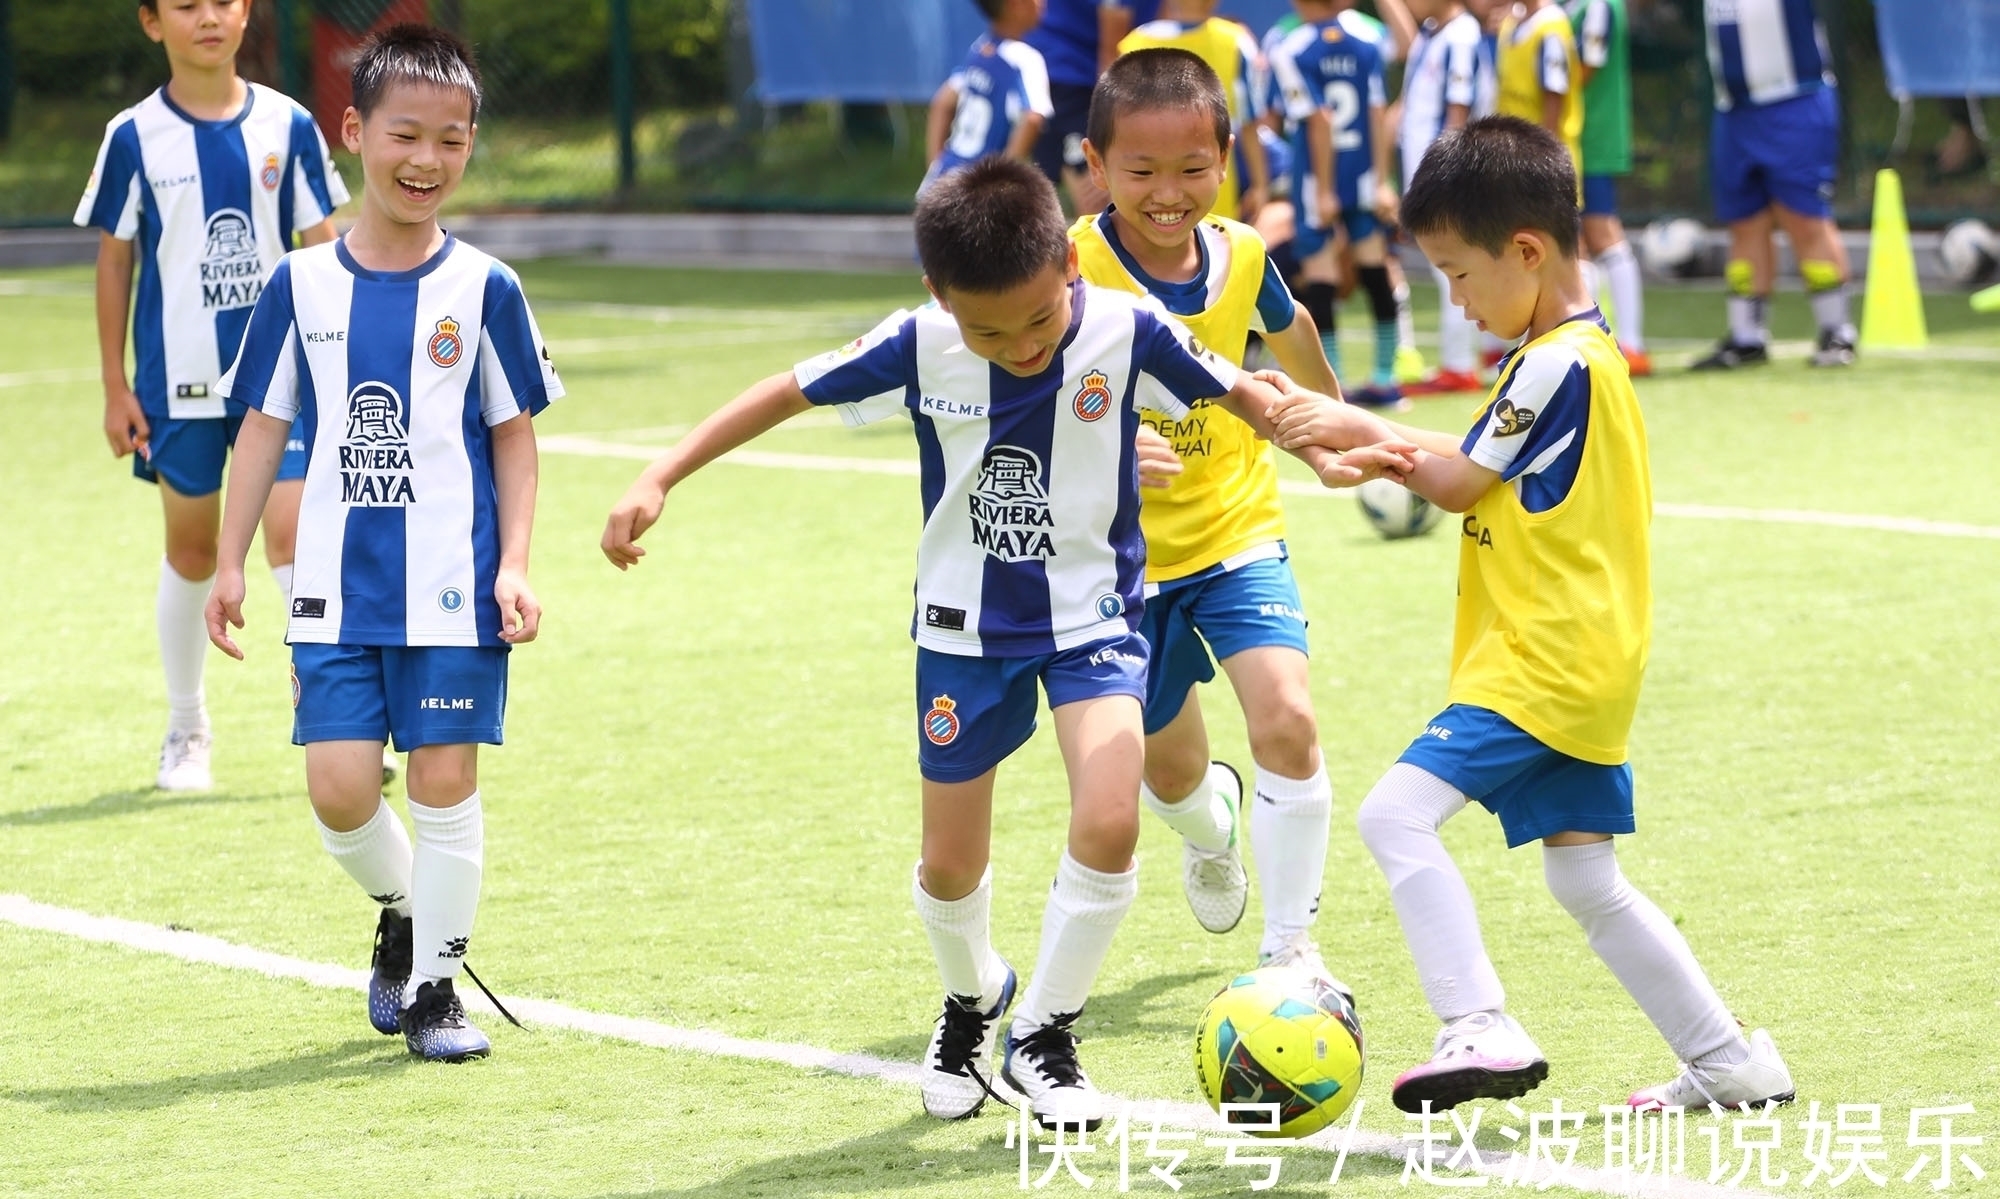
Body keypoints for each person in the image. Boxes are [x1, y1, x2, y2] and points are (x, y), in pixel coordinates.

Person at [601, 157, 1398, 1130]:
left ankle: (1042, 1031)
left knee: (1108, 818)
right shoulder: (919, 342)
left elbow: (1245, 393)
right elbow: (784, 390)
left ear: (1068, 264)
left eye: (1037, 319)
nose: (1019, 344)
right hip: (960, 634)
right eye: (988, 329)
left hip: (1093, 621)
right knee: (947, 866)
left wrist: (1317, 439)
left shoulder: (1123, 324)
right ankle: (972, 993)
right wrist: (661, 476)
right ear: (939, 295)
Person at [1269, 115, 1797, 1114]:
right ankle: (1728, 1059)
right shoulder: (1572, 357)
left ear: (1525, 251)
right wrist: (1369, 432)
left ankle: (1476, 1019)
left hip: (1538, 662)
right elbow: (1476, 456)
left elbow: (1462, 480)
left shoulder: (1552, 364)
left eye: (1458, 274)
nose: (1455, 299)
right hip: (1590, 661)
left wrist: (1356, 425)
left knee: (1393, 815)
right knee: (1587, 882)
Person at [204, 25, 561, 1063]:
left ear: (470, 145)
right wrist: (231, 559)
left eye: (451, 142)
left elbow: (513, 433)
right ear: (354, 132)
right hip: (333, 590)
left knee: (445, 778)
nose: (425, 161)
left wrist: (516, 561)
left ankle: (439, 991)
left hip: (453, 585)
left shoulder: (486, 287)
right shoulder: (299, 285)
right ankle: (404, 907)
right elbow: (264, 427)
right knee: (340, 787)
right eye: (405, 135)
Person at [1072, 48, 1347, 974]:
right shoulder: (1067, 266)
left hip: (1237, 534)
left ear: (1225, 159)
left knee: (1289, 717)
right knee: (1176, 774)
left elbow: (1290, 326)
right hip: (1121, 564)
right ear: (1096, 164)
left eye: (1192, 169)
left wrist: (1334, 421)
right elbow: (1012, 392)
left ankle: (1290, 949)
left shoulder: (1243, 254)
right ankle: (1211, 826)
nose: (1167, 193)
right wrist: (1107, 452)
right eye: (1141, 172)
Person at [75, 0, 348, 793]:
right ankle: (187, 725)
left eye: (222, 1)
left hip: (279, 380)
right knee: (193, 550)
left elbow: (321, 243)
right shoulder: (132, 136)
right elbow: (115, 262)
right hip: (176, 386)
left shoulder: (288, 124)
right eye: (185, 5)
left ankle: (337, 716)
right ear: (151, 22)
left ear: (247, 14)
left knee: (292, 530)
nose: (208, 17)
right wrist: (114, 384)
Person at [1691, 0, 1856, 370]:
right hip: (1734, 109)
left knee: (1804, 218)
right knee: (1744, 221)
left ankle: (1836, 331)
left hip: (1794, 100)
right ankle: (1746, 337)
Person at [1270, 0, 1406, 407]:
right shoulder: (1368, 37)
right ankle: (1387, 377)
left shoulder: (1289, 46)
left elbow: (1319, 120)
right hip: (1364, 174)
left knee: (1321, 276)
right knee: (1374, 269)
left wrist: (1325, 189)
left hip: (1317, 177)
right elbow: (1378, 110)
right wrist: (1382, 180)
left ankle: (1334, 386)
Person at [1385, 0, 1496, 395]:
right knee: (1451, 264)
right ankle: (1484, 351)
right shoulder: (1433, 36)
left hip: (1447, 175)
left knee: (1455, 264)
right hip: (1427, 173)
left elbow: (1458, 113)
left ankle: (1460, 365)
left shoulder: (1461, 37)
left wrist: (1443, 175)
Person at [1117, 0, 1270, 222]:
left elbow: (1249, 122)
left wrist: (1260, 185)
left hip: (1210, 192)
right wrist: (1260, 185)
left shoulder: (1235, 41)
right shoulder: (1134, 44)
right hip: (1161, 192)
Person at [1561, 0, 1647, 375]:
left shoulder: (1596, 5)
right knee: (1581, 232)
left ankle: (1629, 344)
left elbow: (1587, 67)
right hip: (1578, 136)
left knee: (1600, 229)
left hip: (1590, 135)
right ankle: (1605, 341)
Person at [1025, 0, 1161, 213]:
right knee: (1101, 197)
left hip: (1078, 76)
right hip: (1066, 82)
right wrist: (1112, 139)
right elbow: (1110, 56)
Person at [922, 0, 1053, 192]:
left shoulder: (981, 48)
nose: (1042, 3)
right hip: (980, 193)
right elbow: (1033, 118)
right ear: (1015, 5)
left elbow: (942, 102)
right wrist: (1002, 183)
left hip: (942, 182)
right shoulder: (1026, 59)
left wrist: (936, 166)